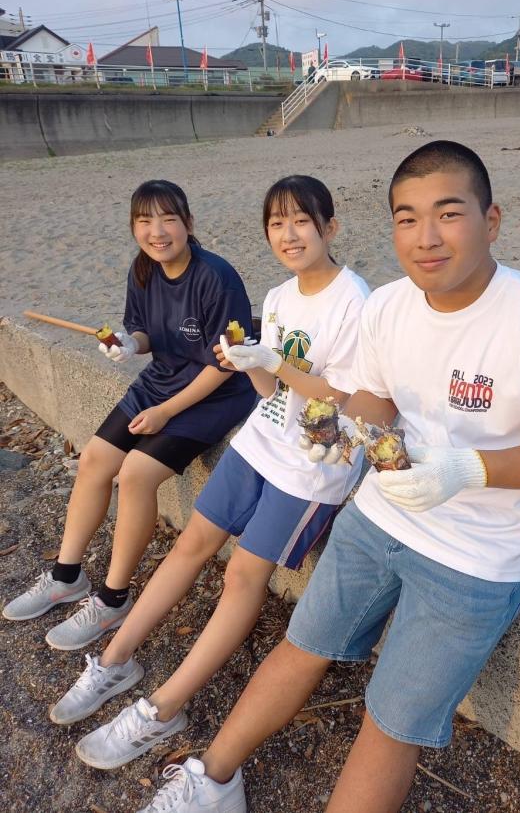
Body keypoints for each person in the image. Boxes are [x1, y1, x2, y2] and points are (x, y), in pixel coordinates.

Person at [132, 140, 520, 813]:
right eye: (406, 218)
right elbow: (376, 398)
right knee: (301, 648)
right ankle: (211, 778)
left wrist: (469, 468)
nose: (426, 237)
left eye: (449, 214)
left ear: (491, 220)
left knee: (389, 722)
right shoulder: (387, 306)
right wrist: (341, 432)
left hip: (479, 555)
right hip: (379, 516)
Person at [49, 175, 370, 771]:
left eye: (302, 221)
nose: (289, 234)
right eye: (277, 223)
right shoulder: (277, 299)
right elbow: (270, 390)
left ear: (330, 228)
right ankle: (115, 662)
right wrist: (251, 364)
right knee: (193, 542)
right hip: (262, 438)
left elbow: (346, 401)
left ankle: (160, 710)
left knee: (244, 575)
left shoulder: (357, 302)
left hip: (313, 464)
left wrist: (271, 360)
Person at [3, 180, 256, 653]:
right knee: (96, 458)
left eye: (168, 220)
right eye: (145, 221)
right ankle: (66, 576)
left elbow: (226, 365)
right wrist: (126, 344)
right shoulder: (143, 270)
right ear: (134, 228)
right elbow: (143, 332)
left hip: (215, 393)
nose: (157, 232)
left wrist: (165, 412)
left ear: (188, 224)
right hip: (161, 379)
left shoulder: (215, 277)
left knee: (137, 473)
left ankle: (113, 598)